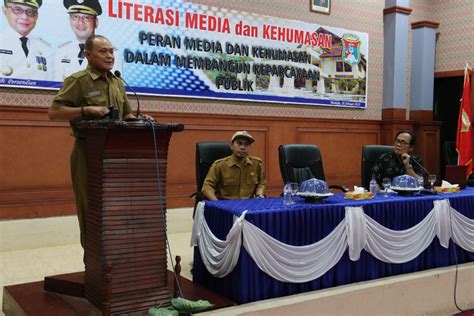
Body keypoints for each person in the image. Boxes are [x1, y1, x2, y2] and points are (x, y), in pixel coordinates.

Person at [48, 34, 154, 249]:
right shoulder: (78, 81)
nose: (109, 56)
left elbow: (125, 115)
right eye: (103, 51)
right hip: (88, 152)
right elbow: (54, 111)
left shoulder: (117, 82)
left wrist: (141, 119)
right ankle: (94, 263)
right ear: (87, 55)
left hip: (117, 155)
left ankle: (116, 257)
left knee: (116, 207)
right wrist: (86, 110)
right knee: (91, 208)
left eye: (111, 51)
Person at [54, 0, 122, 81]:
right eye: (75, 17)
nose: (80, 22)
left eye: (86, 17)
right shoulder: (61, 51)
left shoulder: (112, 53)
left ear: (96, 22)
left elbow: (114, 85)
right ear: (69, 20)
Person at [202, 131, 266, 200]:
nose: (242, 147)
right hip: (226, 206)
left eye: (246, 144)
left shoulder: (256, 164)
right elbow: (207, 187)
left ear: (250, 147)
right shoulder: (219, 165)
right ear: (231, 146)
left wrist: (259, 195)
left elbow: (261, 184)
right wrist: (217, 204)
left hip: (248, 205)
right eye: (239, 143)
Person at [1, 0, 52, 80]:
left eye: (30, 12)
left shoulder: (45, 48)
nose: (24, 17)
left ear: (37, 16)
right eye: (17, 10)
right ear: (5, 11)